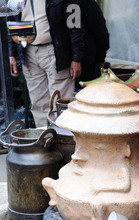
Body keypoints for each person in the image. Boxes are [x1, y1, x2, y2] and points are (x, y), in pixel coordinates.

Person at [8, 0, 84, 128]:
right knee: (38, 104)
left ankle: (62, 142)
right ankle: (45, 142)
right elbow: (10, 22)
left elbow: (76, 26)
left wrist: (76, 58)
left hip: (55, 51)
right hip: (27, 50)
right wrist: (11, 53)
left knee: (60, 104)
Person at [75, 0, 109, 91]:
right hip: (76, 59)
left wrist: (100, 56)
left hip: (87, 60)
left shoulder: (86, 3)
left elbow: (101, 30)